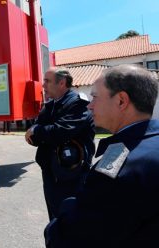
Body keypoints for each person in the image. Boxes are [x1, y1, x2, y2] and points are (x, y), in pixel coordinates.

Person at [44, 64, 159, 248]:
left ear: (121, 101)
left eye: (95, 97)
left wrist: (57, 222)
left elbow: (72, 236)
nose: (90, 105)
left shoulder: (120, 163)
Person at [25, 67, 95, 220]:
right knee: (54, 219)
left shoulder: (79, 104)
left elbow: (61, 131)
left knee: (72, 221)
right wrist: (38, 132)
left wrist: (38, 130)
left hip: (72, 175)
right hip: (50, 174)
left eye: (47, 81)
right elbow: (34, 138)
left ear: (62, 83)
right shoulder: (50, 106)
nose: (43, 85)